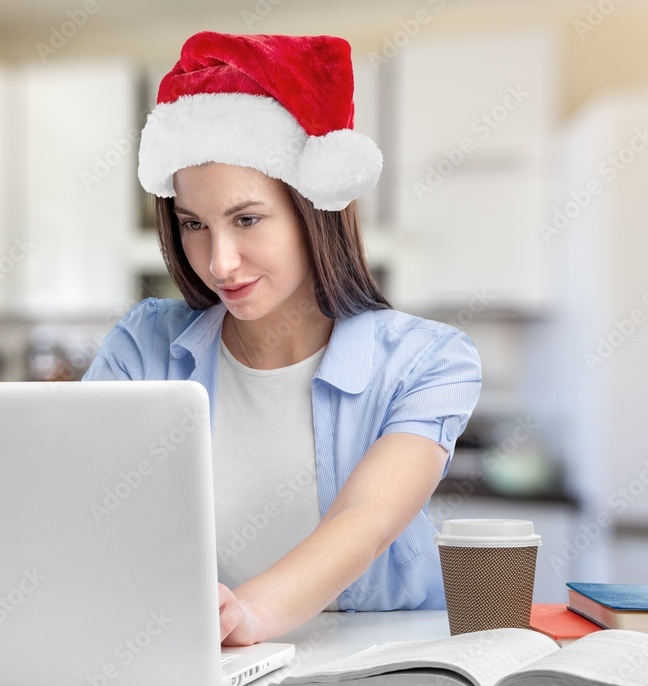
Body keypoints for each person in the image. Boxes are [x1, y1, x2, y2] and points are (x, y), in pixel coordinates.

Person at [83, 32, 481, 646]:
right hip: (200, 658)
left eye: (247, 219)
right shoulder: (146, 345)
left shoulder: (425, 361)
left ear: (313, 211)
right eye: (194, 224)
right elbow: (83, 501)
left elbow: (367, 519)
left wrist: (248, 616)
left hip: (374, 658)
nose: (219, 263)